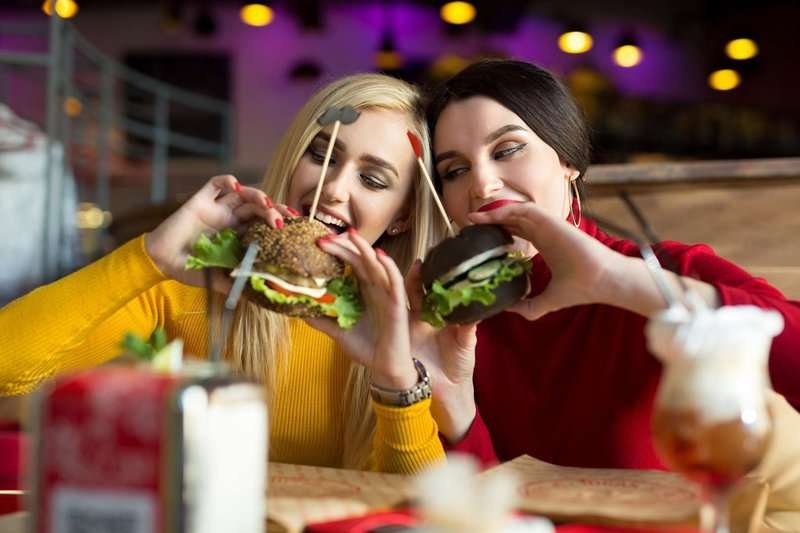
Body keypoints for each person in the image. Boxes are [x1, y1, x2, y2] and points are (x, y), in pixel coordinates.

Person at [407, 59, 800, 528]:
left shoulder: (664, 269)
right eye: (454, 171)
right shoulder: (454, 319)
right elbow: (489, 511)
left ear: (568, 161)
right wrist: (456, 410)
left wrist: (621, 282)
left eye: (508, 149)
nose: (482, 185)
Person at [0, 73, 448, 474]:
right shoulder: (189, 286)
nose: (332, 189)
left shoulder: (411, 323)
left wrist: (395, 381)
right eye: (322, 155)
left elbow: (421, 513)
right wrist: (147, 258)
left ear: (402, 216)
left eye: (372, 180)